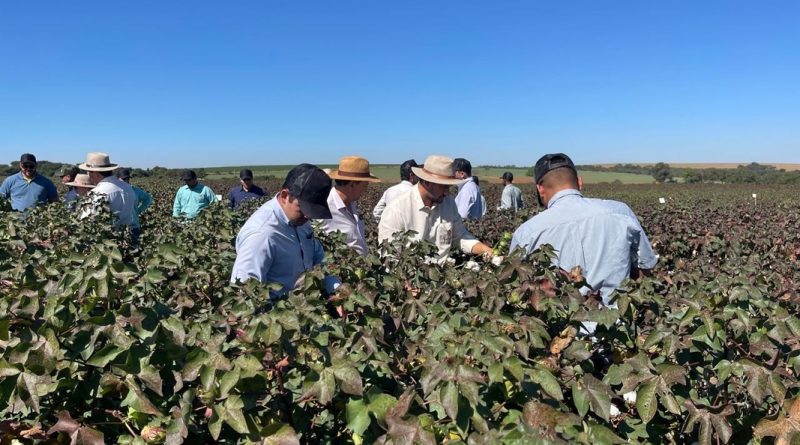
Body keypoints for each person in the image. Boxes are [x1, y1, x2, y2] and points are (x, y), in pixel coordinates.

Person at [510, 153, 657, 311]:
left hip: (558, 329)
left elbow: (517, 289)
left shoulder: (527, 232)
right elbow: (645, 266)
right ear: (579, 182)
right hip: (619, 326)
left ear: (540, 189)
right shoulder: (620, 212)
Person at [230, 164, 340, 299]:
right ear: (284, 196)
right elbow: (245, 294)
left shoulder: (299, 218)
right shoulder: (261, 235)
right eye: (303, 209)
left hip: (306, 307)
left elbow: (318, 258)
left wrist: (334, 288)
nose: (308, 216)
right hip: (279, 315)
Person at [378, 155, 495, 261]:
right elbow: (390, 258)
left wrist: (487, 250)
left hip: (443, 277)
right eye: (444, 187)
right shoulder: (397, 210)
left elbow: (460, 235)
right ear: (427, 182)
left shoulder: (448, 203)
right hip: (411, 280)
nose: (447, 193)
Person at [322, 156, 381, 256]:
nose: (366, 190)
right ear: (353, 185)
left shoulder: (352, 202)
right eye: (365, 185)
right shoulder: (325, 209)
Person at [79, 152, 139, 239]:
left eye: (89, 172)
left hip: (109, 240)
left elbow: (86, 221)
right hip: (129, 236)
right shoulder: (128, 187)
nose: (89, 175)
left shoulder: (97, 192)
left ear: (95, 173)